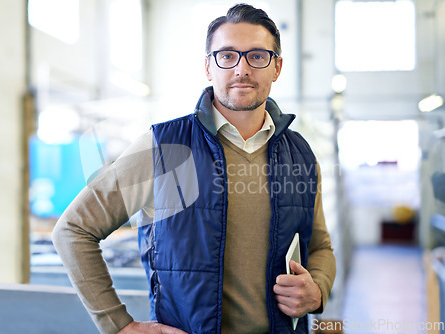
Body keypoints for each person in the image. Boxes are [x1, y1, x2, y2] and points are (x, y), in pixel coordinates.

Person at [52, 3, 336, 334]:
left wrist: (317, 290)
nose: (241, 69)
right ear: (208, 67)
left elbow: (320, 247)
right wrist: (118, 325)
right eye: (227, 56)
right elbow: (73, 229)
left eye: (257, 56)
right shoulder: (164, 148)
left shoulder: (300, 154)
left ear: (277, 67)